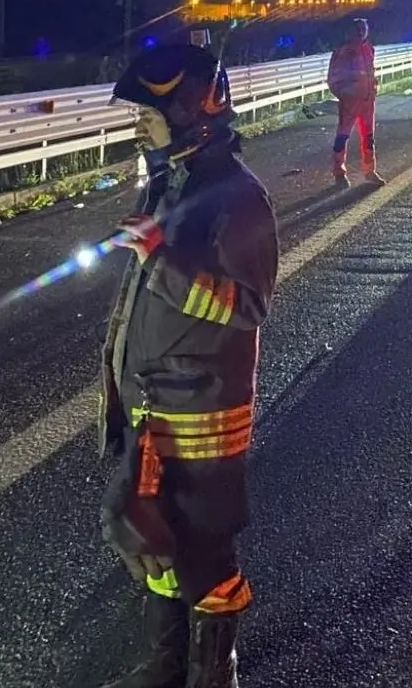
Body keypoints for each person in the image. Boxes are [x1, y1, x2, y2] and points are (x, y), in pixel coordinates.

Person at [96, 44, 280, 688]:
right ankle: (164, 669)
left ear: (191, 109)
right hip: (153, 402)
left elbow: (247, 305)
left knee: (205, 555)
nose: (138, 126)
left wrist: (158, 258)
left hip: (200, 413)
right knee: (152, 541)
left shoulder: (239, 195)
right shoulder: (172, 180)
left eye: (149, 115)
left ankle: (214, 674)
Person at [327, 17, 383, 186]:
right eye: (358, 29)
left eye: (363, 29)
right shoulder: (344, 51)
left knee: (368, 137)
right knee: (342, 137)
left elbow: (369, 73)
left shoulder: (369, 49)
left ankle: (370, 171)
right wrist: (343, 95)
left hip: (367, 102)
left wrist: (373, 88)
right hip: (350, 103)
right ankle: (339, 172)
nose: (361, 32)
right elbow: (333, 77)